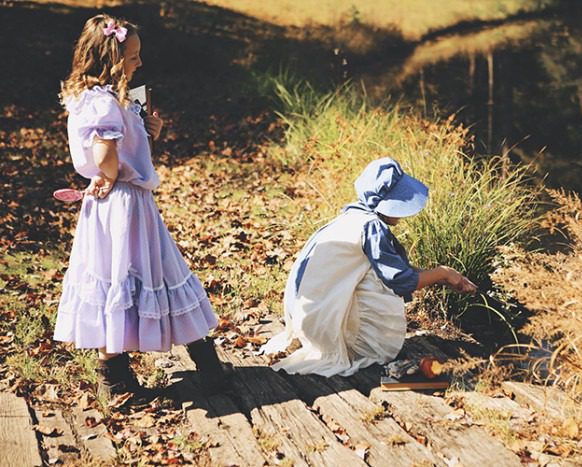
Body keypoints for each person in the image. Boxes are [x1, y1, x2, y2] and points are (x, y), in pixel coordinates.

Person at [53, 14, 232, 400]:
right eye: (132, 57)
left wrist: (148, 132)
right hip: (124, 204)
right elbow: (104, 150)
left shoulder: (103, 99)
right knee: (159, 272)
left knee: (115, 276)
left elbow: (119, 145)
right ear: (112, 59)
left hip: (113, 206)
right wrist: (110, 171)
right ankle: (206, 365)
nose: (139, 63)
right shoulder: (102, 104)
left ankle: (115, 376)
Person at [261, 157, 477, 376]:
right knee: (379, 281)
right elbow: (402, 281)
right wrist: (443, 272)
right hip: (323, 324)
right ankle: (361, 344)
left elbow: (398, 268)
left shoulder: (351, 217)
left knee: (376, 273)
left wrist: (446, 278)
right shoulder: (372, 228)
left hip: (307, 317)